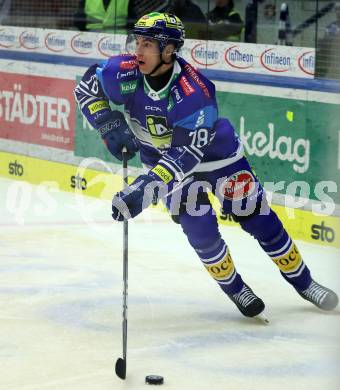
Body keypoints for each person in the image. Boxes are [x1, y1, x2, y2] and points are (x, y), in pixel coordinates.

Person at [74, 12, 338, 319]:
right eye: (138, 41)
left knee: (257, 217)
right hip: (164, 160)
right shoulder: (125, 71)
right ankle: (237, 289)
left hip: (217, 159)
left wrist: (146, 189)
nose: (138, 50)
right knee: (199, 229)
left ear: (169, 50)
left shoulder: (194, 92)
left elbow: (186, 155)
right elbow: (87, 87)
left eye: (148, 44)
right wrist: (106, 123)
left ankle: (305, 283)